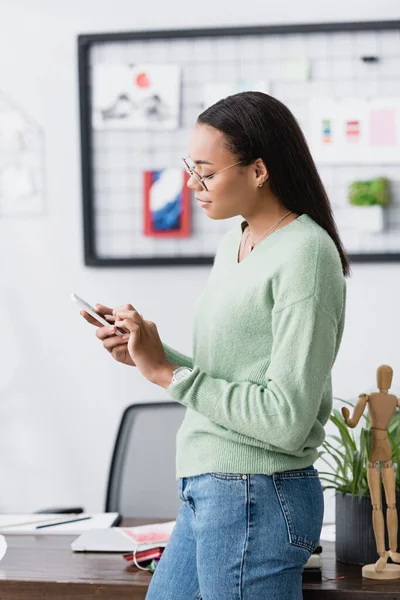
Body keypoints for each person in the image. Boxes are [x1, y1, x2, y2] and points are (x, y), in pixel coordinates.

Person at [81, 91, 349, 600]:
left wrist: (169, 374)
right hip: (213, 490)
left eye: (205, 171)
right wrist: (151, 354)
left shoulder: (307, 255)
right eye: (190, 167)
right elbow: (232, 375)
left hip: (257, 494)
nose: (191, 184)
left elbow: (285, 418)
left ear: (259, 171)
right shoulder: (238, 241)